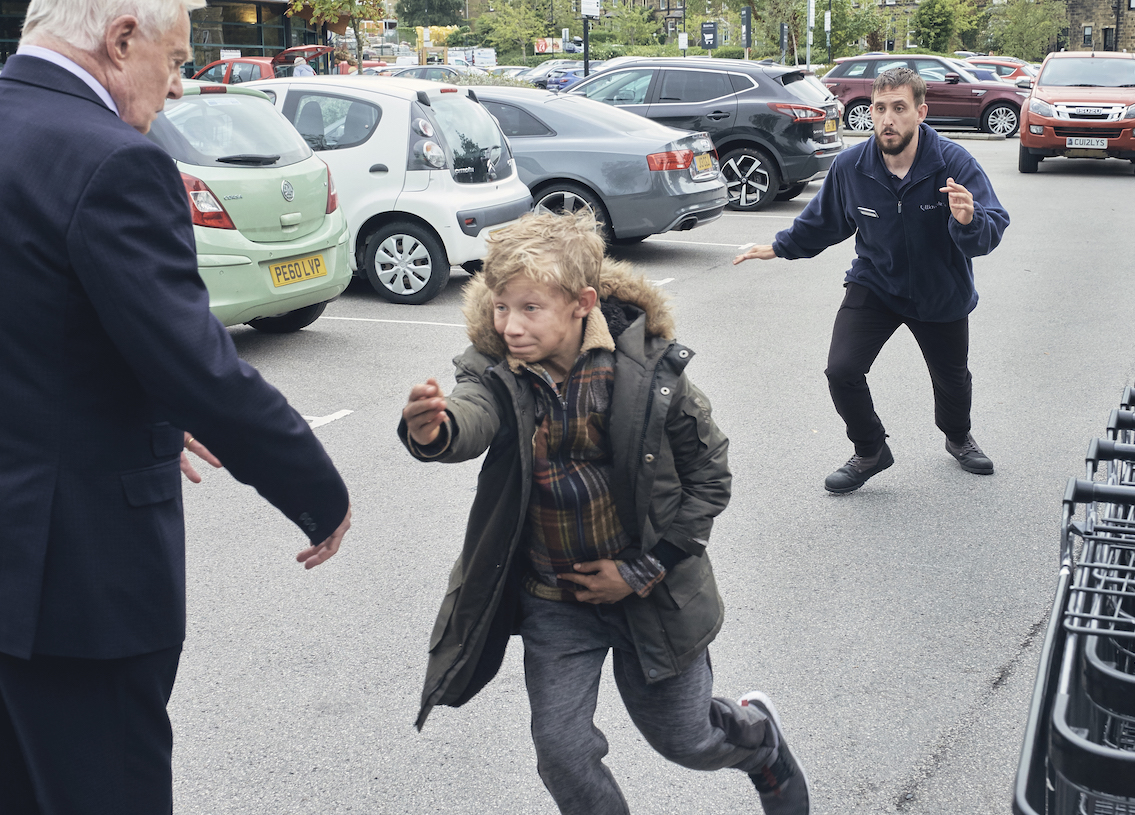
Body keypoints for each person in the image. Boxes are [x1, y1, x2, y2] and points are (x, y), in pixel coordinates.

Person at [0, 1, 352, 812]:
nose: (178, 84)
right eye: (177, 58)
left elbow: (38, 320)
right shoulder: (115, 159)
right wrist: (315, 489)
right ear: (122, 39)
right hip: (80, 587)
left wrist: (127, 391)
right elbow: (198, 366)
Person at [400, 212, 810, 815]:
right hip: (554, 602)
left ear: (581, 304)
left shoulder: (648, 373)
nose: (509, 326)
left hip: (653, 594)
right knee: (561, 753)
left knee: (686, 739)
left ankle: (761, 744)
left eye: (529, 309)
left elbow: (709, 477)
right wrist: (435, 428)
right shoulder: (496, 370)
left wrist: (641, 571)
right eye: (500, 307)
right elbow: (471, 415)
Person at [734, 67, 1009, 494]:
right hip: (876, 283)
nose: (887, 119)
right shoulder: (852, 166)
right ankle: (870, 450)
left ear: (921, 112)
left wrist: (969, 220)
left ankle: (958, 437)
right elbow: (824, 222)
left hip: (940, 291)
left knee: (952, 379)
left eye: (899, 108)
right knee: (841, 370)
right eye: (880, 108)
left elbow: (991, 228)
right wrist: (779, 246)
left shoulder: (953, 164)